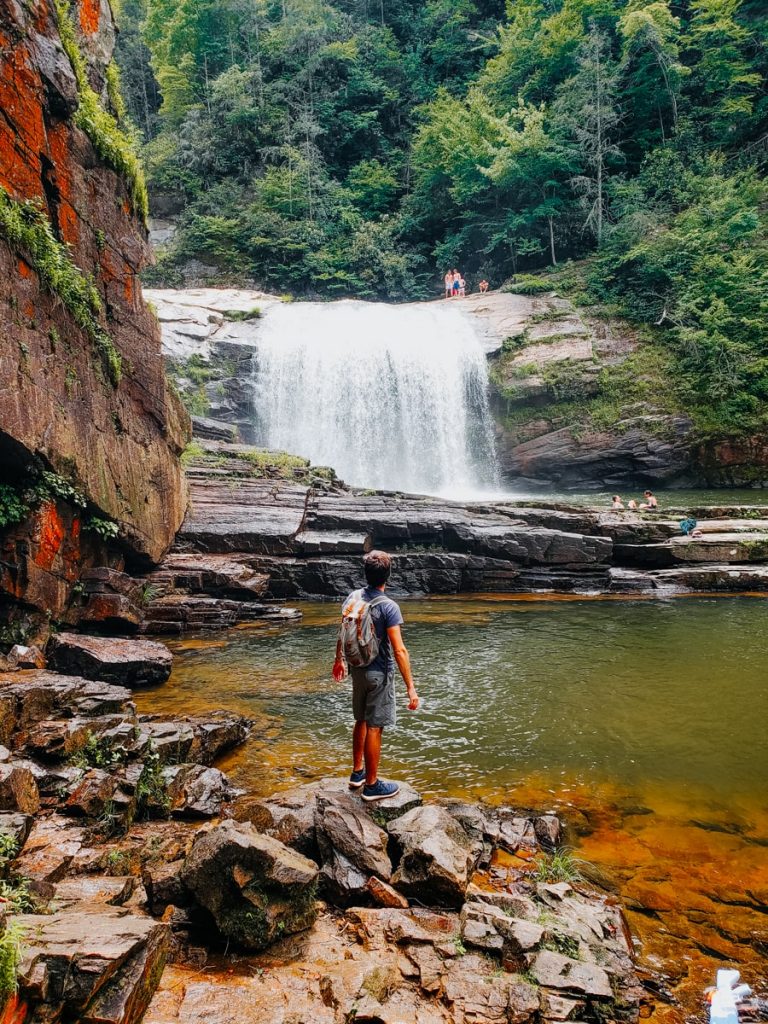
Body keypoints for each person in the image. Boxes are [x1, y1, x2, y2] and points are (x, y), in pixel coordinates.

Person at [332, 550, 419, 802]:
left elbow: (342, 629)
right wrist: (411, 688)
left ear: (366, 574)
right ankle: (371, 785)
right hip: (379, 672)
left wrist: (339, 661)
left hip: (357, 670)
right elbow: (399, 650)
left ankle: (357, 773)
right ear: (387, 576)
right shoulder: (389, 607)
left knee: (360, 719)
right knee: (374, 726)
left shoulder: (353, 597)